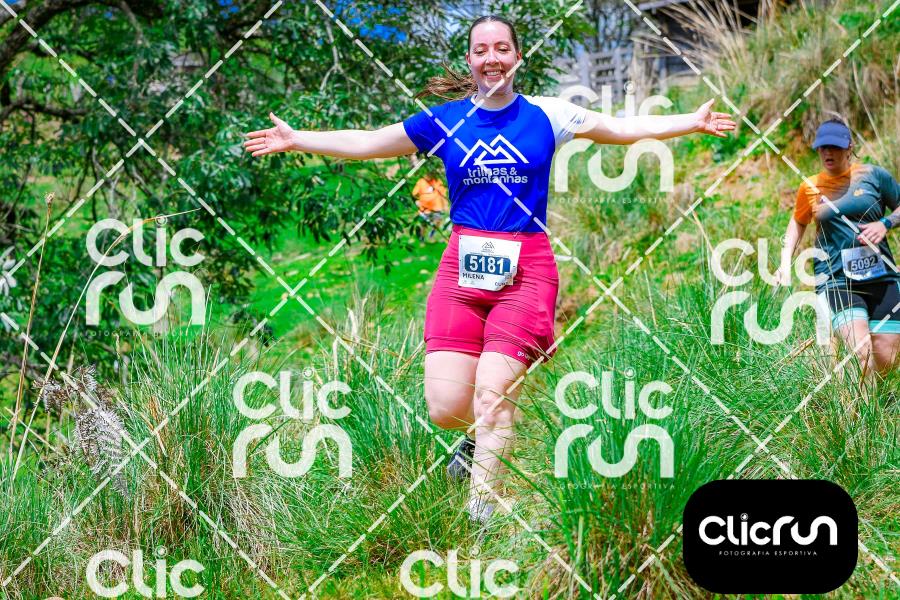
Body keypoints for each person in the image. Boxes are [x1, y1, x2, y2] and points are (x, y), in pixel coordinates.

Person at [243, 14, 735, 524]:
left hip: (527, 271)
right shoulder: (444, 120)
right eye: (481, 50)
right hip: (461, 270)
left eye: (502, 48)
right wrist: (299, 139)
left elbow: (621, 129)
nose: (492, 58)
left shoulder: (548, 114)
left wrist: (690, 121)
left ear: (518, 57)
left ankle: (482, 514)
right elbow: (369, 142)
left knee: (493, 397)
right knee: (445, 407)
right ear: (470, 60)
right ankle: (477, 438)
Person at [776, 118, 900, 380]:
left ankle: (854, 386)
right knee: (862, 351)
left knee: (886, 359)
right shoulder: (811, 187)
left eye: (834, 147)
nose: (828, 153)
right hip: (837, 280)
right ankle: (859, 405)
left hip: (882, 276)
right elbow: (797, 223)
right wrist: (785, 262)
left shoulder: (873, 176)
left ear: (849, 147)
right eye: (822, 148)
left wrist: (885, 223)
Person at [412, 171, 448, 240]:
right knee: (423, 224)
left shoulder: (437, 181)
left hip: (436, 208)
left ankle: (432, 233)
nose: (428, 176)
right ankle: (422, 237)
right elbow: (414, 194)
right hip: (425, 208)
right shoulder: (421, 182)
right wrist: (417, 201)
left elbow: (443, 194)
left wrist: (445, 205)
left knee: (438, 221)